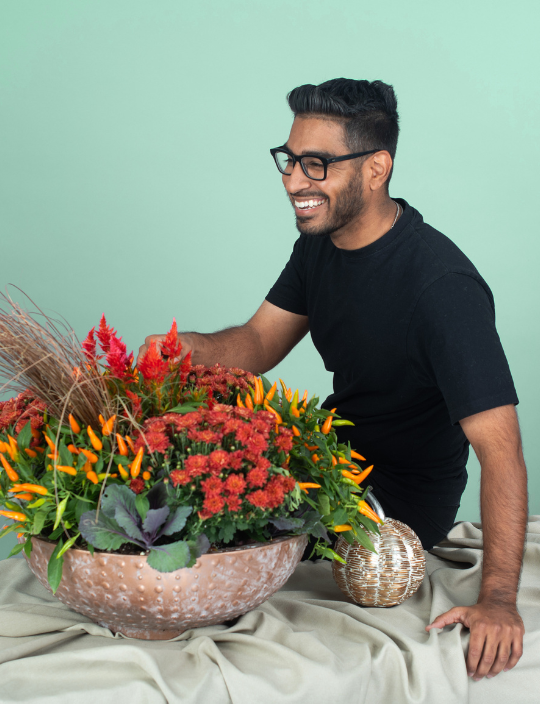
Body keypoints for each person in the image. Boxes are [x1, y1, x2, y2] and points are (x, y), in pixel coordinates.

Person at [137, 78, 527, 681]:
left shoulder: (442, 288)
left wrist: (499, 599)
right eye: (289, 160)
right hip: (327, 457)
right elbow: (261, 341)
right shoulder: (321, 244)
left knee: (219, 517)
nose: (295, 181)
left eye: (316, 165)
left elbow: (501, 452)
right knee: (184, 464)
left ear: (376, 169)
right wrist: (189, 349)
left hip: (392, 505)